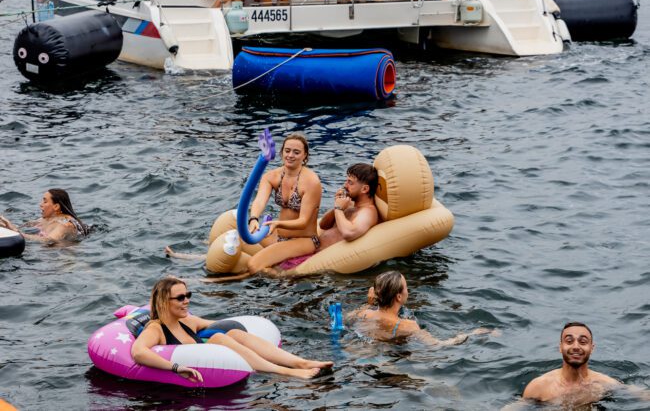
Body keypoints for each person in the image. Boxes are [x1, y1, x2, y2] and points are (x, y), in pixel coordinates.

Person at [131, 276, 331, 381]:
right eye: (181, 298)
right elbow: (138, 352)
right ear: (165, 302)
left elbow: (222, 325)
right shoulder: (156, 329)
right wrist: (176, 367)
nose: (187, 301)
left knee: (232, 333)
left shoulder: (188, 321)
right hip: (195, 372)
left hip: (213, 359)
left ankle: (301, 363)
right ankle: (287, 372)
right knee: (218, 338)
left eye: (188, 295)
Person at [200, 133, 323, 282]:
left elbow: (303, 221)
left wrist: (277, 223)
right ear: (281, 152)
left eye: (296, 152)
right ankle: (201, 259)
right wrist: (253, 219)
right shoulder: (272, 176)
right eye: (287, 150)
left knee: (253, 265)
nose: (290, 155)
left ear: (305, 156)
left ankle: (285, 276)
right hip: (279, 237)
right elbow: (259, 201)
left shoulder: (311, 182)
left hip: (304, 240)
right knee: (235, 237)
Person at [349, 271, 495, 345]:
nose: (408, 291)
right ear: (399, 297)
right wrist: (473, 333)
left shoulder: (364, 313)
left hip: (355, 352)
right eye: (406, 288)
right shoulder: (407, 325)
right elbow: (438, 345)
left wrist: (368, 303)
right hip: (380, 361)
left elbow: (346, 319)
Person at [521, 322, 650, 405]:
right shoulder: (538, 387)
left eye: (583, 342)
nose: (576, 346)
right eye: (569, 341)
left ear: (592, 348)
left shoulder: (604, 383)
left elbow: (638, 394)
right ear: (560, 347)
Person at [317, 163, 380, 250]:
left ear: (364, 189)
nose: (345, 185)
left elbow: (349, 233)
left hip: (321, 258)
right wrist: (337, 205)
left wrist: (339, 209)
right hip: (313, 251)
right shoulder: (351, 205)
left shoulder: (367, 212)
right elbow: (323, 225)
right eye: (346, 181)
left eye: (350, 182)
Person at [0, 188, 88, 242]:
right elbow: (21, 228)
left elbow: (49, 240)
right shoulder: (45, 219)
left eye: (45, 201)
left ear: (56, 206)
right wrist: (8, 224)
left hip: (65, 254)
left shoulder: (65, 224)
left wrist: (18, 233)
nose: (40, 204)